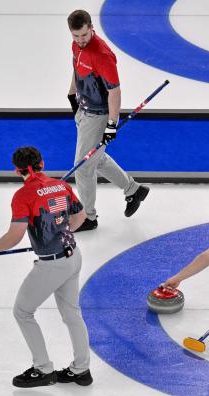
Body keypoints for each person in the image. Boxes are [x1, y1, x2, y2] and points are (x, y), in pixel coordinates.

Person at [0, 146, 93, 388]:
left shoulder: (23, 195)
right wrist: (62, 233)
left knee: (23, 312)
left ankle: (43, 369)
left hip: (52, 265)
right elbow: (81, 216)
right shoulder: (62, 185)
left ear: (17, 170)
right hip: (73, 256)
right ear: (42, 164)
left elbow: (15, 236)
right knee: (71, 313)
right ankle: (82, 370)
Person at [66, 9, 149, 232]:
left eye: (84, 35)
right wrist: (72, 94)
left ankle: (88, 217)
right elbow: (76, 68)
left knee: (83, 167)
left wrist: (112, 124)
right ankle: (133, 189)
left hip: (98, 114)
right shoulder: (77, 46)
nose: (81, 41)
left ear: (91, 27)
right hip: (83, 109)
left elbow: (115, 91)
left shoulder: (102, 54)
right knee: (97, 159)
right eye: (76, 36)